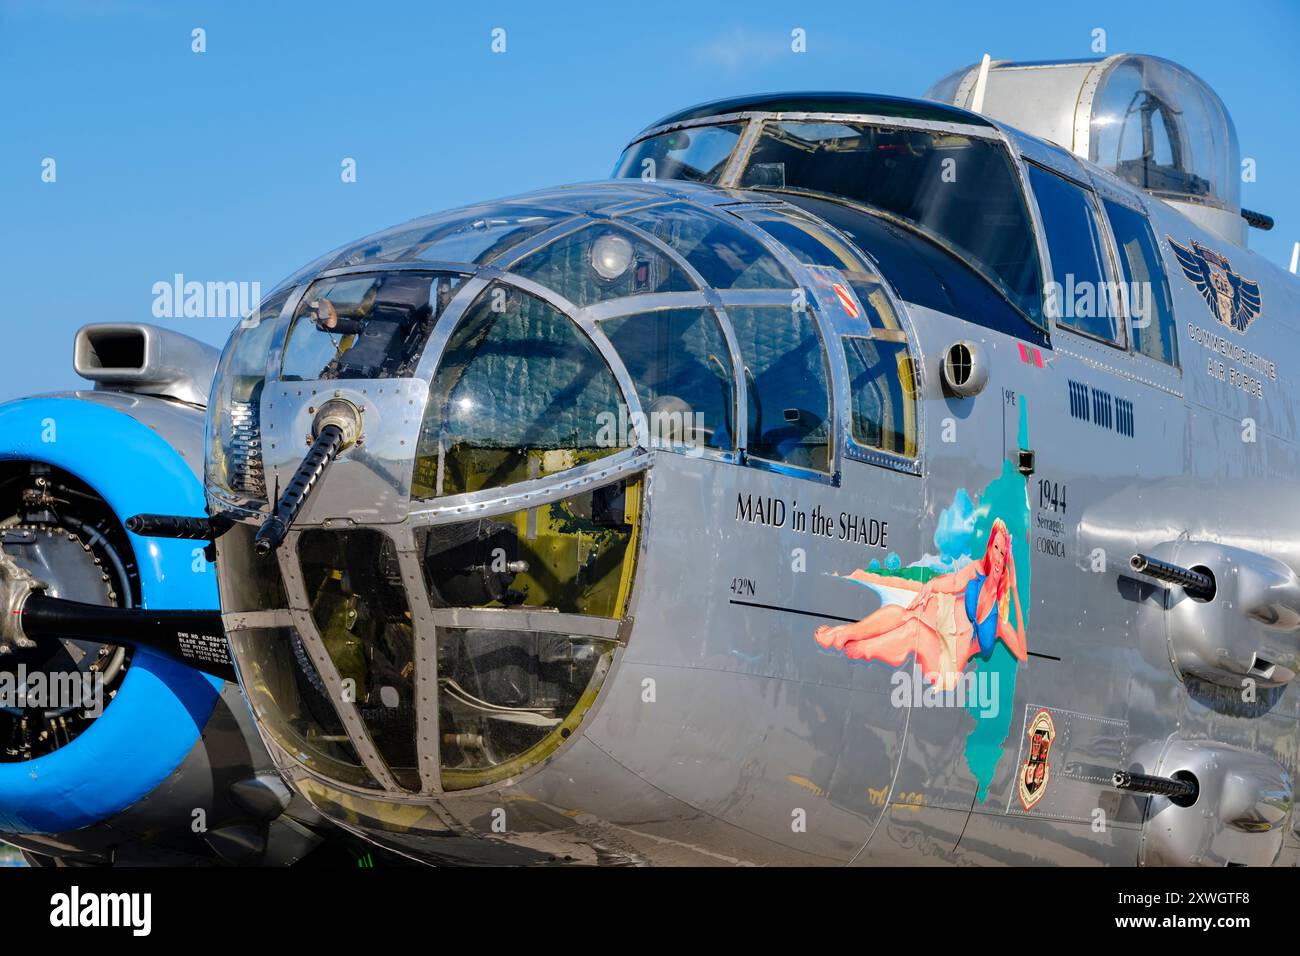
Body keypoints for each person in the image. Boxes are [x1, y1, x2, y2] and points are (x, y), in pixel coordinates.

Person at [813, 518, 1027, 690]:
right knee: (906, 612)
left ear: (1007, 557)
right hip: (943, 620)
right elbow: (953, 582)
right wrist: (931, 586)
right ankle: (846, 632)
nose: (998, 557)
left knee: (913, 629)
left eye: (1002, 552)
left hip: (949, 660)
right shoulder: (977, 569)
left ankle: (864, 647)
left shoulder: (999, 620)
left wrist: (1015, 590)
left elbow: (1022, 653)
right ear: (989, 548)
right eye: (995, 548)